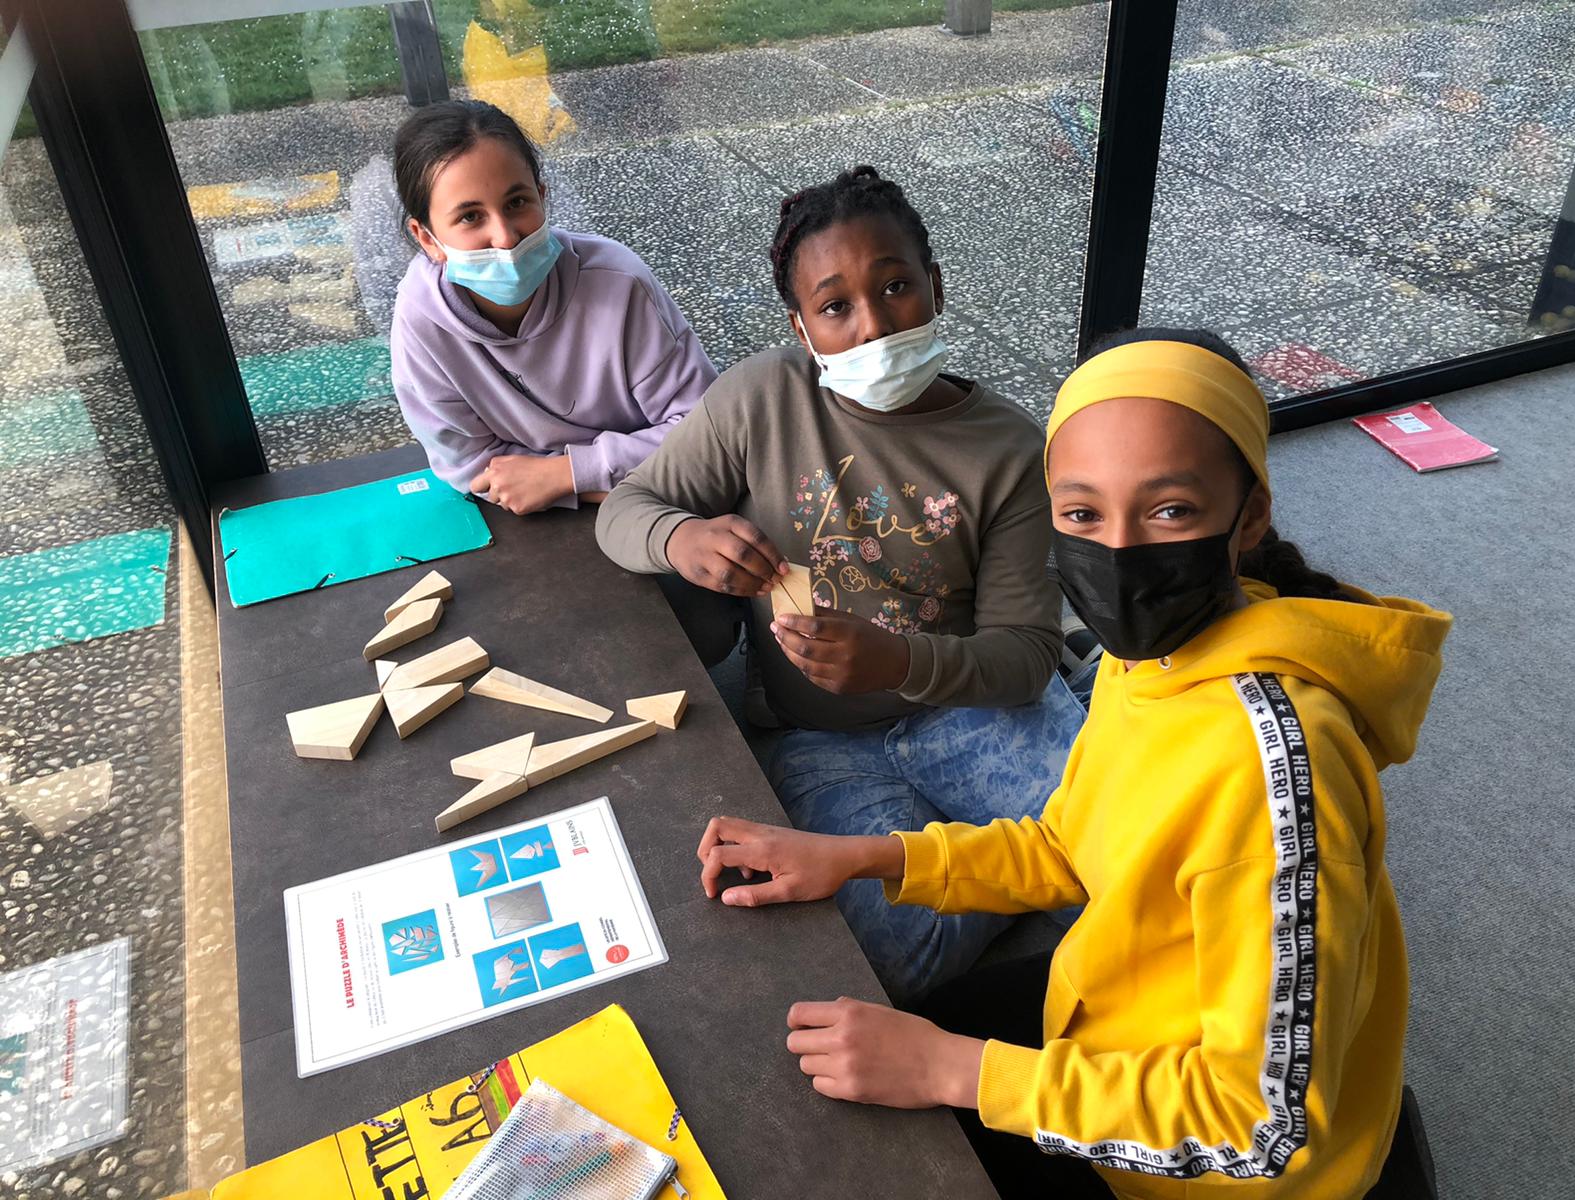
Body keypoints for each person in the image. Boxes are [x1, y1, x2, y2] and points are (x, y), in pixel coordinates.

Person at [693, 328, 1452, 1199]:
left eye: (1170, 511)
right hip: (1115, 1024)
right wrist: (860, 858)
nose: (1118, 553)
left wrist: (955, 1071)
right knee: (850, 1067)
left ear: (1249, 516)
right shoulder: (1154, 656)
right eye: (1082, 514)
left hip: (1199, 1171)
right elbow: (1068, 843)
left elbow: (1263, 1129)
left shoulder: (1274, 773)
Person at [597, 165, 1085, 1002]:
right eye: (835, 307)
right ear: (800, 326)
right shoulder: (761, 399)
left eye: (896, 287)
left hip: (970, 709)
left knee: (1123, 856)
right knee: (887, 955)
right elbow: (625, 510)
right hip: (818, 738)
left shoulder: (1007, 447)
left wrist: (900, 662)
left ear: (935, 286)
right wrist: (682, 538)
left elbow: (1026, 655)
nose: (873, 325)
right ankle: (995, 866)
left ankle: (985, 855)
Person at [388, 99, 716, 516]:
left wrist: (566, 475)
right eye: (470, 217)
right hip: (619, 495)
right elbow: (471, 466)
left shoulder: (619, 283)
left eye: (516, 203)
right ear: (427, 238)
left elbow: (706, 433)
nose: (505, 237)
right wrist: (594, 482)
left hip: (673, 503)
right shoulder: (420, 320)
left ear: (542, 197)